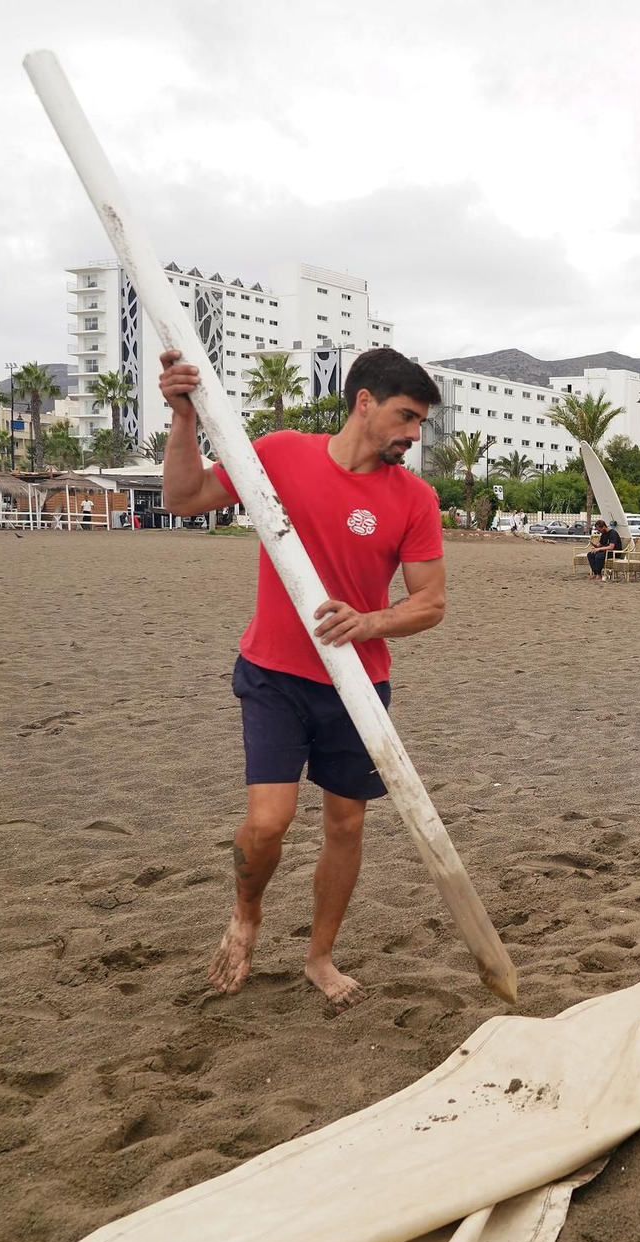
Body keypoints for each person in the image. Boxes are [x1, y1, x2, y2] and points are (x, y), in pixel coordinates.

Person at [157, 347, 447, 1009]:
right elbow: (183, 497)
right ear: (364, 402)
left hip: (358, 684)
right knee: (268, 821)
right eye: (406, 416)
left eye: (421, 422)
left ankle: (319, 956)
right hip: (274, 673)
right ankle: (247, 912)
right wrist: (182, 420)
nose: (413, 434)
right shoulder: (282, 453)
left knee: (346, 825)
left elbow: (430, 601)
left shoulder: (414, 499)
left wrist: (368, 623)